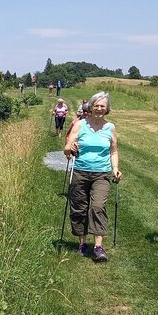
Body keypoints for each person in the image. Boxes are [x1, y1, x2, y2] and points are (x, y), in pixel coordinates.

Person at [63, 91, 121, 262]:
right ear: (91, 106)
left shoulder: (110, 127)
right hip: (80, 171)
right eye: (96, 105)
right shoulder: (80, 125)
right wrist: (70, 148)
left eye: (103, 106)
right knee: (79, 208)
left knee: (97, 207)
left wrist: (115, 168)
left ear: (107, 109)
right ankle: (82, 243)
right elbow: (66, 149)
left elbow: (113, 151)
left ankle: (98, 247)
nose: (99, 108)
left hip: (101, 173)